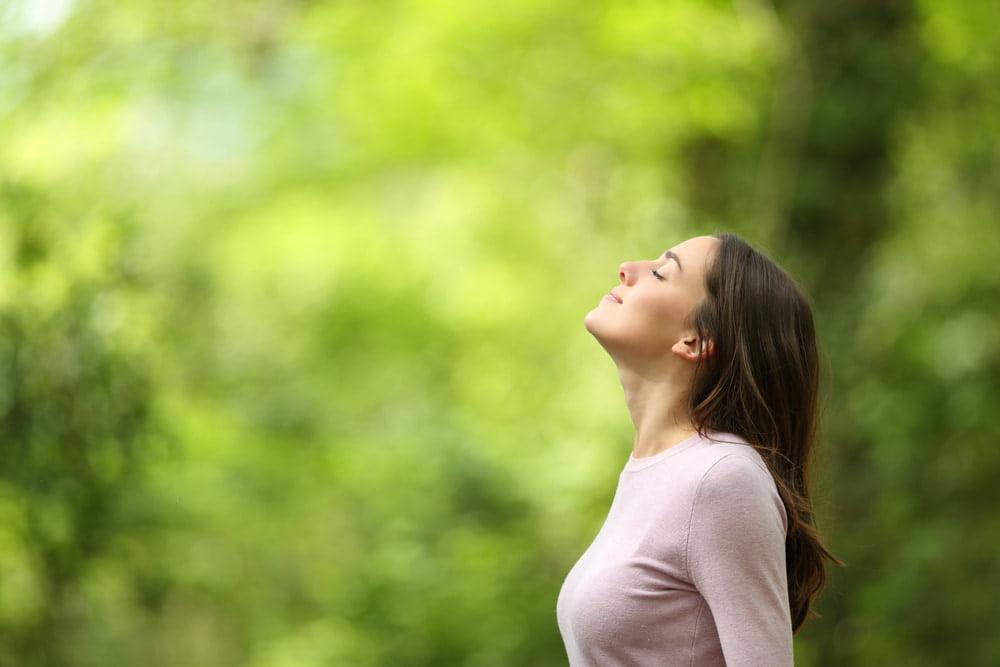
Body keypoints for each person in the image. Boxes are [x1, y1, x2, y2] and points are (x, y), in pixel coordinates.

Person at [556, 232, 843, 666]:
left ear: (696, 340)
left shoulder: (721, 478)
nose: (626, 269)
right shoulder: (656, 472)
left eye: (659, 273)